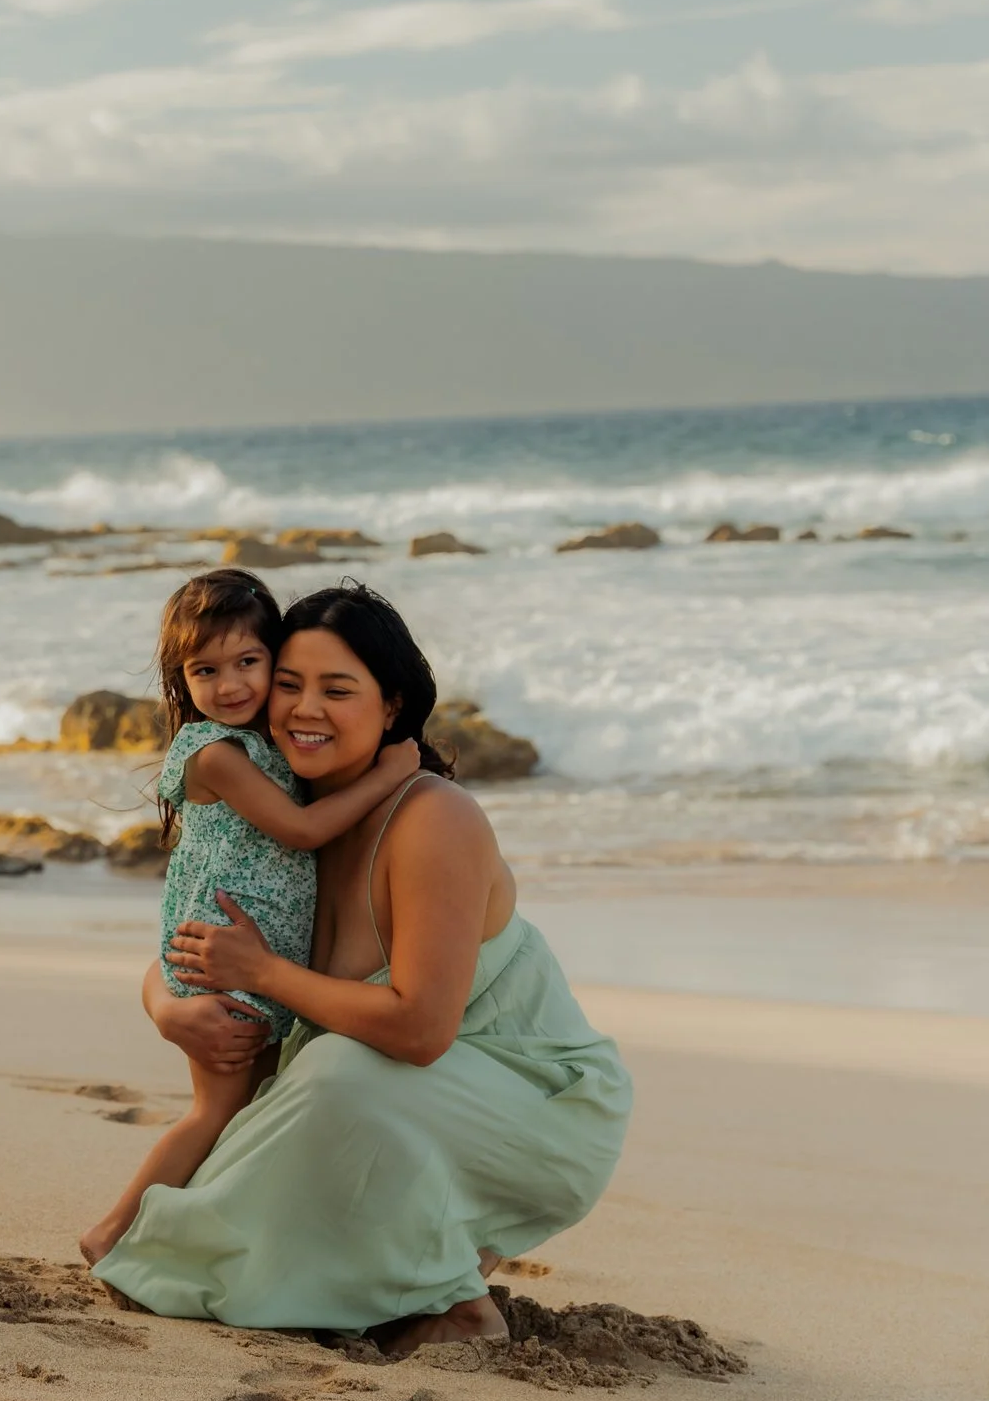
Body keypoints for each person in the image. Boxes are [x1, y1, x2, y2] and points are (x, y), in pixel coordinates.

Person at [91, 582, 632, 1350]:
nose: (304, 708)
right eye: (288, 683)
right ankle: (400, 1272)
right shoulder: (284, 813)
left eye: (337, 689)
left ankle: (451, 1291)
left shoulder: (431, 817)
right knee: (270, 1125)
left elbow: (418, 1028)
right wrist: (170, 1008)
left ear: (391, 705)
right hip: (380, 1092)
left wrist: (269, 975)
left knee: (331, 1076)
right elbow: (195, 937)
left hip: (533, 1103)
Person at [79, 569, 419, 1266]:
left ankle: (209, 1239)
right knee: (217, 1109)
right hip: (223, 961)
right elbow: (299, 831)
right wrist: (394, 774)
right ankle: (112, 1232)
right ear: (181, 678)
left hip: (252, 959)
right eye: (207, 669)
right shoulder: (216, 752)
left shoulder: (267, 742)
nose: (231, 683)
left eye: (249, 663)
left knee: (249, 1109)